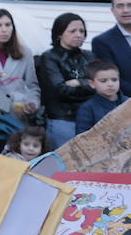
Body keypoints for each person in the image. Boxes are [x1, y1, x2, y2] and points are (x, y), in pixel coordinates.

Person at [37, 12, 94, 149]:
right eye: (72, 31)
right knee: (64, 163)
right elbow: (60, 90)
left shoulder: (90, 56)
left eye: (82, 31)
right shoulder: (49, 57)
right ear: (59, 34)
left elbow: (99, 85)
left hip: (89, 117)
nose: (79, 34)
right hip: (62, 118)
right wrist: (88, 85)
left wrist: (79, 83)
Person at [91, 0, 131, 99]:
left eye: (129, 5)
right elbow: (109, 78)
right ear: (112, 11)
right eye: (120, 6)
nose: (126, 10)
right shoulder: (102, 42)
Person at [78, 60, 124, 134]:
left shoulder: (128, 102)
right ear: (92, 83)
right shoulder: (87, 108)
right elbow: (82, 138)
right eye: (103, 81)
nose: (110, 84)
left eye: (114, 80)